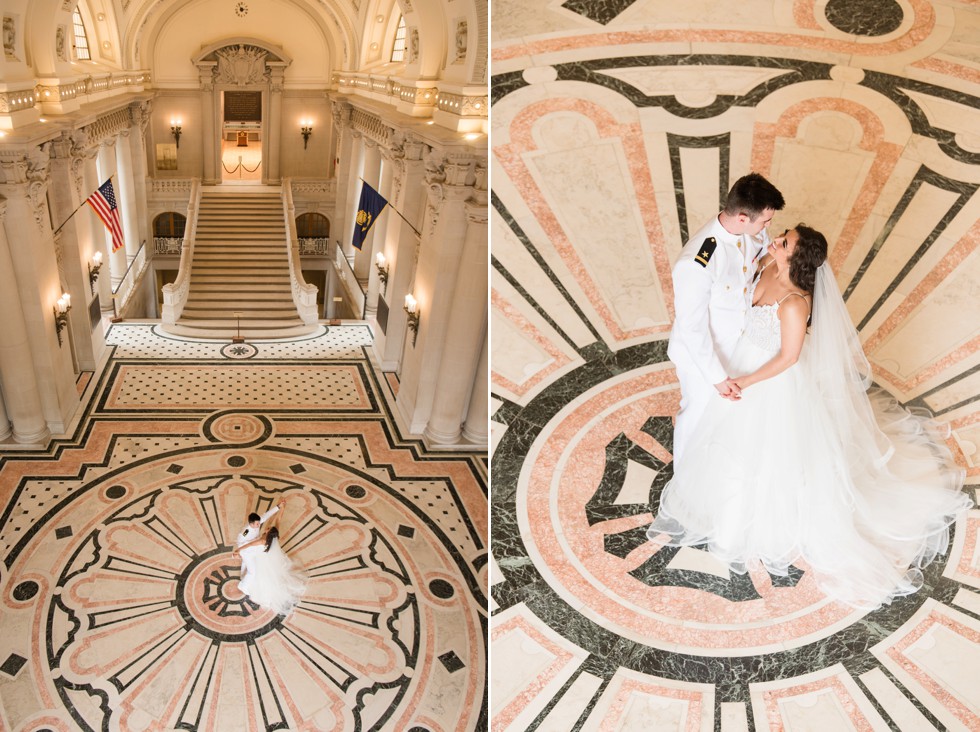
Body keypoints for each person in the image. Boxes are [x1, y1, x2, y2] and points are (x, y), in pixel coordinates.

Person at [648, 224, 972, 610]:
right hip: (741, 361)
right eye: (782, 234)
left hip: (770, 381)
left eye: (784, 242)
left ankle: (757, 519)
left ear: (794, 258)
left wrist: (745, 381)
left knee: (767, 452)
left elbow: (788, 358)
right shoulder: (767, 266)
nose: (776, 241)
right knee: (724, 440)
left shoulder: (795, 303)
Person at [668, 173, 786, 464]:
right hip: (702, 360)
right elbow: (692, 329)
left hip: (737, 346)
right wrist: (717, 378)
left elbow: (754, 262)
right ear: (743, 218)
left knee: (723, 419)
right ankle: (684, 474)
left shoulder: (751, 233)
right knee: (695, 416)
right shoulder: (698, 262)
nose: (768, 227)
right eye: (764, 221)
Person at [233, 516, 306, 615]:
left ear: (269, 532)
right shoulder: (273, 537)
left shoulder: (262, 540)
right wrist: (281, 509)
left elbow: (249, 545)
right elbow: (277, 521)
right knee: (257, 572)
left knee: (253, 572)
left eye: (268, 529)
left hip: (257, 557)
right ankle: (244, 578)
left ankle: (244, 586)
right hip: (262, 557)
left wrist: (238, 550)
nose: (266, 528)